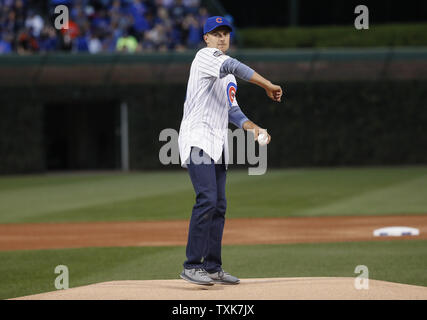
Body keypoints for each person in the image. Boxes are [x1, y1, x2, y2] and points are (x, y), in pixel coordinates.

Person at [178, 16, 282, 285]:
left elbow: (233, 112)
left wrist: (254, 127)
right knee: (207, 199)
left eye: (225, 33)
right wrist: (268, 84)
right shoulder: (205, 56)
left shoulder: (227, 76)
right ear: (206, 38)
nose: (222, 37)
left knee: (219, 206)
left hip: (217, 143)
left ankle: (212, 267)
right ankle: (192, 265)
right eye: (216, 33)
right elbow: (234, 64)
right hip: (197, 137)